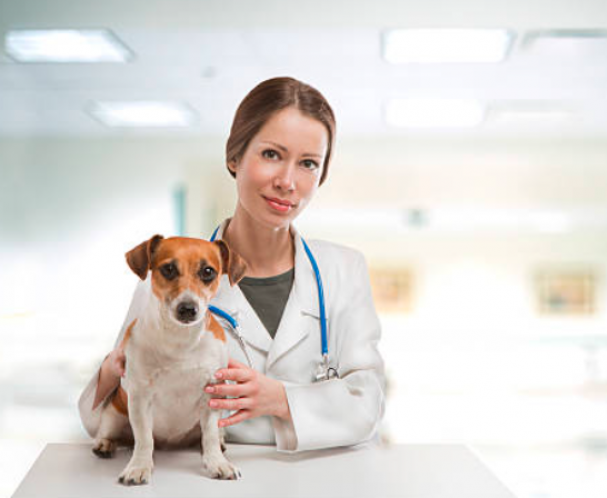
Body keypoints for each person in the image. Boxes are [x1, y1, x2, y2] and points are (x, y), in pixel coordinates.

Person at [78, 77, 386, 452]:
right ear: (235, 156)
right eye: (271, 154)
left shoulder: (344, 270)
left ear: (321, 176)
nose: (287, 181)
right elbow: (104, 416)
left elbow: (368, 404)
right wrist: (115, 370)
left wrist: (280, 399)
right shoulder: (165, 279)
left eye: (308, 163)